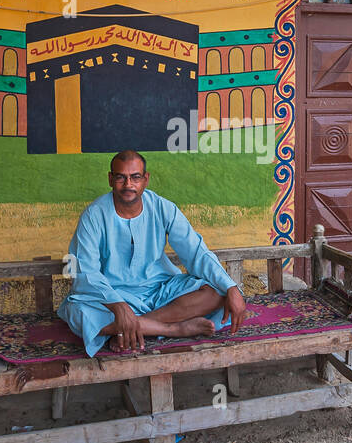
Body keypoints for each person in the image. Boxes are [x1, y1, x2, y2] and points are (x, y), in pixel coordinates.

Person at [58, 150, 247, 357]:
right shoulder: (93, 216)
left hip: (159, 290)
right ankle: (172, 329)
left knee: (216, 293)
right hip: (112, 295)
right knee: (78, 312)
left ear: (145, 179)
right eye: (121, 177)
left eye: (135, 177)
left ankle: (131, 328)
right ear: (110, 179)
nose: (128, 184)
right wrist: (119, 307)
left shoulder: (163, 208)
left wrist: (231, 287)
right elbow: (82, 270)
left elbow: (196, 251)